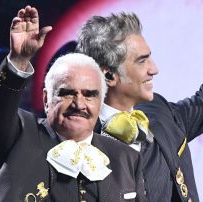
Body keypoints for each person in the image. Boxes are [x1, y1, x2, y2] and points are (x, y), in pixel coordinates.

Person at [0, 6, 146, 202]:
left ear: (101, 101)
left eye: (90, 95)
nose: (79, 104)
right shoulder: (22, 136)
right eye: (67, 93)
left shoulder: (125, 157)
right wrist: (19, 59)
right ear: (46, 100)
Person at [76, 12, 203, 201]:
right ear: (109, 75)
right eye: (142, 61)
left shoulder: (159, 110)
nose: (154, 69)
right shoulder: (76, 139)